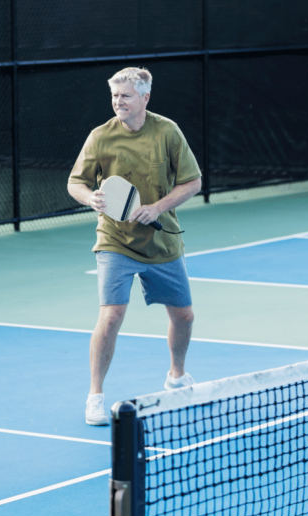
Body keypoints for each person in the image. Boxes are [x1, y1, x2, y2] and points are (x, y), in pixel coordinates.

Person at [67, 67, 202, 426]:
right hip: (114, 241)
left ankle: (177, 376)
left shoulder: (167, 132)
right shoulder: (100, 137)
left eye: (125, 96)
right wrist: (90, 198)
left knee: (184, 316)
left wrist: (158, 207)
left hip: (162, 240)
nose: (118, 102)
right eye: (114, 96)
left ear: (144, 98)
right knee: (111, 315)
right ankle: (95, 396)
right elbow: (75, 183)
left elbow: (193, 182)